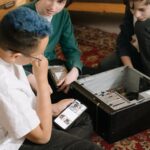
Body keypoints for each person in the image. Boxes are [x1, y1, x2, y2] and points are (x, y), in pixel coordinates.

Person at [0, 7, 102, 150]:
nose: (42, 59)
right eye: (38, 56)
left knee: (82, 118)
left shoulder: (7, 52)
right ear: (16, 56)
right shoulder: (6, 86)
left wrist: (52, 109)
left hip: (29, 120)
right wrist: (41, 81)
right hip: (15, 141)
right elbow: (43, 137)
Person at [22, 0, 83, 94]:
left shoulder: (63, 14)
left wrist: (75, 71)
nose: (53, 7)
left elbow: (71, 49)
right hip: (22, 68)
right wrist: (29, 78)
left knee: (83, 91)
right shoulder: (19, 15)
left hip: (50, 64)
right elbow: (4, 57)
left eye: (60, 2)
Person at [99, 0, 150, 77]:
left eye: (142, 9)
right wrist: (129, 68)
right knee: (106, 65)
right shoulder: (131, 3)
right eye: (132, 9)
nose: (136, 14)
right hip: (139, 55)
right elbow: (123, 39)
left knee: (141, 26)